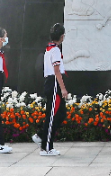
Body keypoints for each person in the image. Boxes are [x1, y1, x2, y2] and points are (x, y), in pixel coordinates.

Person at [39, 23, 70, 157]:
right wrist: (63, 89)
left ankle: (42, 136)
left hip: (52, 82)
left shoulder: (50, 48)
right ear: (62, 36)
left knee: (61, 113)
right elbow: (56, 70)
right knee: (52, 116)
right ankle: (46, 147)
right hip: (54, 83)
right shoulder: (55, 50)